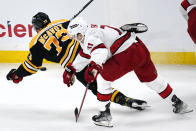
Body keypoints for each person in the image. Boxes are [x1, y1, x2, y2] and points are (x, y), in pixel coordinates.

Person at [6, 12, 149, 111]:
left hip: (76, 64)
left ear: (36, 27)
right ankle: (121, 32)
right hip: (88, 50)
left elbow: (31, 66)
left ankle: (125, 100)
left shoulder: (35, 42)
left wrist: (17, 74)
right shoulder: (62, 22)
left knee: (98, 88)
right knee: (108, 49)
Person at [67, 17, 193, 127]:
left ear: (81, 31)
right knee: (152, 80)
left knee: (103, 79)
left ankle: (104, 115)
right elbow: (85, 54)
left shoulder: (89, 36)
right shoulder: (91, 31)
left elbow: (100, 51)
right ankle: (179, 103)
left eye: (76, 36)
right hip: (138, 48)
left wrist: (94, 68)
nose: (75, 39)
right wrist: (71, 69)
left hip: (126, 54)